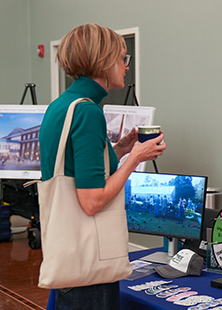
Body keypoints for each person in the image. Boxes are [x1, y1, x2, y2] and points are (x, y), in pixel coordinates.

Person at [40, 23, 166, 310]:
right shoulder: (87, 111)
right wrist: (135, 157)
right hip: (89, 267)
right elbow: (92, 200)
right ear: (104, 61)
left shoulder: (62, 105)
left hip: (71, 256)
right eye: (123, 58)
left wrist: (120, 148)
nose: (126, 66)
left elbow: (74, 167)